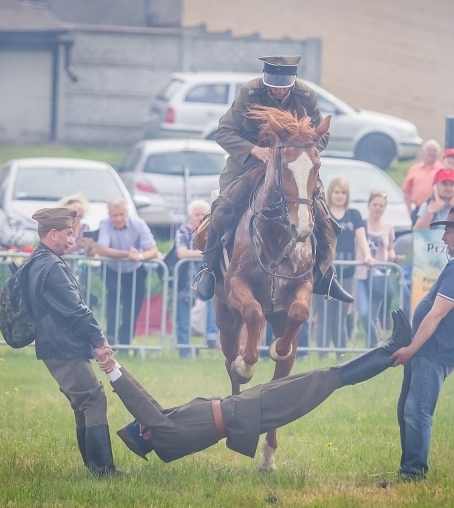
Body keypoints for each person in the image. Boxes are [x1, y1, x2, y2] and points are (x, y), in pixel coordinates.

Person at [98, 310, 413, 463]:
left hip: (246, 409)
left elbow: (147, 403)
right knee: (327, 378)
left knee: (327, 378)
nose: (144, 418)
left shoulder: (163, 427)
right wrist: (111, 371)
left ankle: (388, 349)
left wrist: (118, 366)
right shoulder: (164, 438)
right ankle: (390, 351)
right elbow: (140, 404)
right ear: (146, 434)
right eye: (141, 425)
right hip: (249, 412)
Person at [192, 55, 353, 305]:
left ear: (293, 81)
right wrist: (253, 149)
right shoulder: (250, 91)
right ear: (266, 80)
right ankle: (208, 270)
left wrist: (302, 151)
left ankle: (325, 275)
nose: (278, 89)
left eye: (284, 84)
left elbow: (323, 135)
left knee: (324, 218)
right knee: (222, 209)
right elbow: (223, 131)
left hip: (293, 168)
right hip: (249, 165)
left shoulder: (306, 95)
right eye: (274, 84)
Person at [388, 207, 454, 483]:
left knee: (417, 410)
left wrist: (411, 349)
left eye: (448, 231)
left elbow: (436, 315)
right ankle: (408, 467)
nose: (444, 237)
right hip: (428, 349)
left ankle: (414, 473)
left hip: (434, 351)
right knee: (407, 409)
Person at [26, 207, 122, 477]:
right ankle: (103, 470)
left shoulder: (39, 260)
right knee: (93, 399)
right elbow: (77, 310)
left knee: (83, 401)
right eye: (69, 233)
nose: (72, 239)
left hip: (56, 344)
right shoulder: (52, 266)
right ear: (53, 233)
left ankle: (95, 467)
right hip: (63, 346)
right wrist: (100, 341)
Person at [314, 178, 374, 358]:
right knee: (324, 317)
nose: (339, 196)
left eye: (343, 193)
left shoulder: (354, 215)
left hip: (346, 274)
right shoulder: (321, 213)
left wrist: (367, 255)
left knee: (340, 317)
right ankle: (321, 356)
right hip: (323, 274)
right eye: (336, 192)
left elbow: (361, 238)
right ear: (330, 193)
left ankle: (340, 355)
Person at [94, 198, 159, 346]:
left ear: (127, 213)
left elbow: (153, 250)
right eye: (114, 215)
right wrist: (126, 255)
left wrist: (139, 256)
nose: (118, 219)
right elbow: (102, 248)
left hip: (135, 270)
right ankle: (110, 340)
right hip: (112, 269)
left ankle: (125, 343)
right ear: (109, 214)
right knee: (113, 300)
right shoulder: (105, 224)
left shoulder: (139, 224)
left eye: (121, 215)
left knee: (132, 306)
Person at [355, 190, 404, 348]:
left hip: (379, 275)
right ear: (369, 205)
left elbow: (390, 249)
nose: (378, 208)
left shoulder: (389, 227)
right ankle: (377, 343)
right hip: (361, 274)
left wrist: (395, 258)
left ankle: (369, 351)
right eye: (375, 204)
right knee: (364, 313)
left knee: (373, 314)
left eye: (381, 205)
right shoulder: (360, 224)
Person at [174, 199, 219, 357]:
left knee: (213, 305)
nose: (200, 217)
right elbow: (181, 252)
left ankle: (212, 338)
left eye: (203, 214)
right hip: (186, 278)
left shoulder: (213, 230)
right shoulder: (184, 231)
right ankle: (184, 349)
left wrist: (197, 254)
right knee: (183, 314)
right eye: (196, 214)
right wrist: (205, 254)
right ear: (189, 216)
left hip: (207, 275)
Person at [401, 140, 442, 220]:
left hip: (436, 210)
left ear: (438, 153)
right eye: (429, 150)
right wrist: (409, 209)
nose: (431, 153)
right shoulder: (414, 169)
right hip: (417, 210)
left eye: (434, 150)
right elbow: (407, 191)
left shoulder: (442, 169)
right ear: (423, 152)